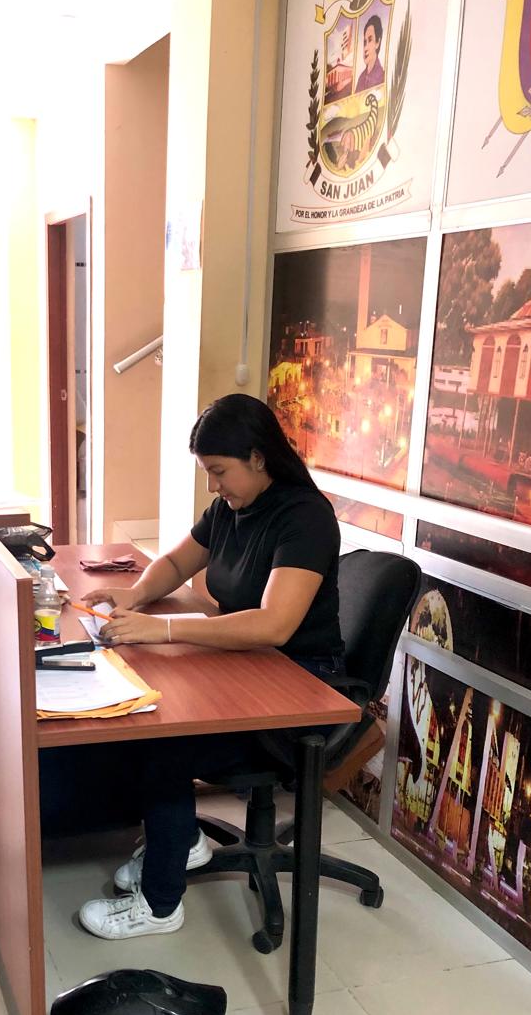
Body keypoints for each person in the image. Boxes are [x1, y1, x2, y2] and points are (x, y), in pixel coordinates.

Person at [75, 393, 345, 940]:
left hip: (300, 688)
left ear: (258, 458)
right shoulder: (229, 509)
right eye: (207, 473)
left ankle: (159, 905)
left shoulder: (305, 518)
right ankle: (182, 840)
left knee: (161, 742)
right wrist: (135, 595)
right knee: (143, 714)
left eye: (219, 471)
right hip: (252, 669)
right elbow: (177, 560)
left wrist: (164, 629)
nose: (213, 486)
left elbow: (274, 625)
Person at [355, 14, 384, 92]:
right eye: (365, 42)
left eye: (370, 40)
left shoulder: (382, 76)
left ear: (377, 43)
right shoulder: (361, 78)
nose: (365, 48)